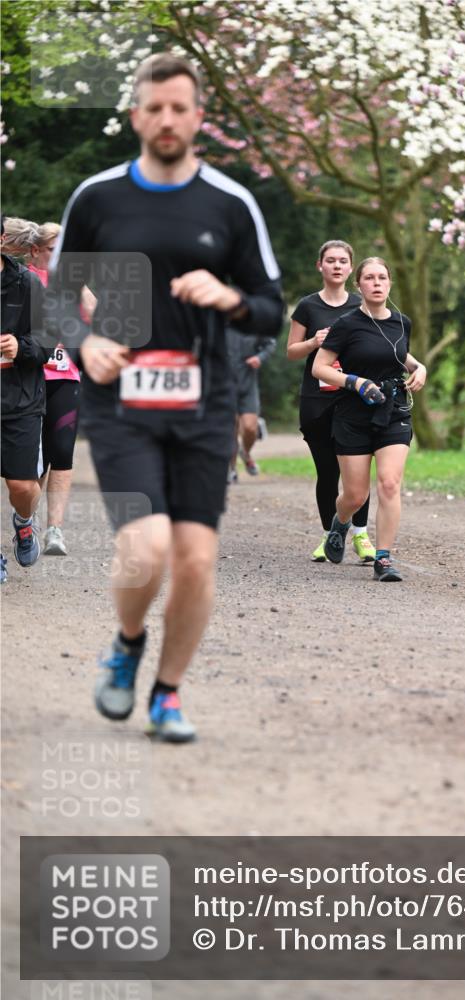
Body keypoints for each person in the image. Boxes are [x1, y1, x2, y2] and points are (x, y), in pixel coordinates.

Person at [48, 52, 283, 741]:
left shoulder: (230, 203)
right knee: (147, 548)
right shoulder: (97, 198)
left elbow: (271, 307)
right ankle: (126, 646)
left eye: (180, 107)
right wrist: (85, 343)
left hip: (206, 403)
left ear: (199, 117)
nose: (168, 119)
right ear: (135, 116)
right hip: (123, 405)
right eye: (155, 108)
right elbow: (57, 301)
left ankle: (168, 695)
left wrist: (230, 297)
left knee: (197, 558)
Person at [312, 256, 427, 582]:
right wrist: (354, 381)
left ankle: (384, 558)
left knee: (390, 483)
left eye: (382, 278)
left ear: (389, 283)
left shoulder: (402, 322)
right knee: (355, 495)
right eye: (370, 278)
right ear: (358, 285)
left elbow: (399, 353)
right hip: (353, 416)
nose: (376, 283)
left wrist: (421, 369)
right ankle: (340, 523)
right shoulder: (347, 324)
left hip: (392, 412)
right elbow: (319, 367)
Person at [287, 240, 376, 563]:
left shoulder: (361, 305)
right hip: (316, 399)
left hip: (352, 399)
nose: (337, 266)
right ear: (320, 266)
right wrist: (314, 341)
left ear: (351, 268)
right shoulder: (307, 307)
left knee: (357, 472)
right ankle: (330, 537)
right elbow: (291, 351)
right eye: (331, 260)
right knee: (327, 472)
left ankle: (362, 535)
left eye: (342, 261)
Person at [3, 218, 83, 556]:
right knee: (33, 470)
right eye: (54, 250)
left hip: (46, 382)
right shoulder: (29, 277)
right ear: (35, 250)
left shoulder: (47, 283)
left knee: (53, 459)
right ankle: (31, 527)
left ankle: (43, 527)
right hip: (31, 380)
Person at [1, 215, 49, 580]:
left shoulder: (27, 284)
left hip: (20, 398)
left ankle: (24, 520)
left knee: (21, 486)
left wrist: (21, 346)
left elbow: (47, 342)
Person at [226, 323, 276, 480]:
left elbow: (270, 344)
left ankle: (245, 453)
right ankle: (231, 470)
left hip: (248, 382)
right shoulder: (218, 320)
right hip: (224, 384)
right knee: (230, 427)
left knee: (249, 428)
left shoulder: (254, 321)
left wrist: (259, 357)